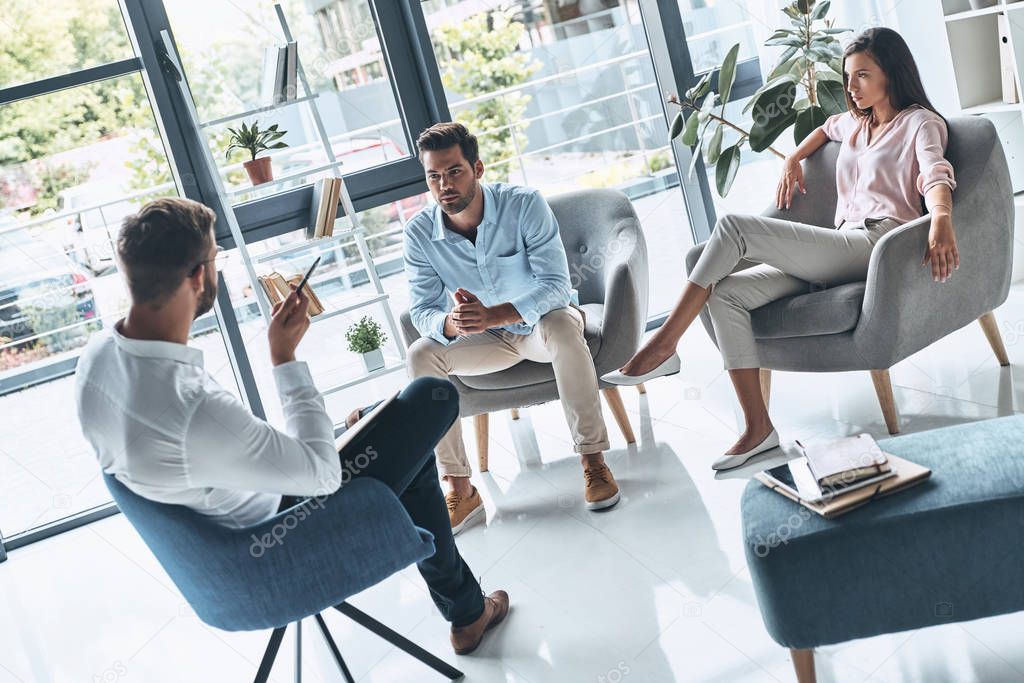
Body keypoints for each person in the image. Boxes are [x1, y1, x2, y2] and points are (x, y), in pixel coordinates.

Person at [74, 197, 508, 655]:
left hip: (221, 528)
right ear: (199, 277)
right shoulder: (190, 408)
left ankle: (466, 611)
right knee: (429, 400)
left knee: (403, 435)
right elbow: (320, 475)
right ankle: (466, 612)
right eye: (217, 261)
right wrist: (284, 357)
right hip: (286, 529)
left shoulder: (98, 357)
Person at [603, 27, 959, 470]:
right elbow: (827, 128)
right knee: (727, 295)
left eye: (862, 75)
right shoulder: (857, 122)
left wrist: (941, 217)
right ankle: (758, 430)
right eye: (848, 76)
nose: (851, 87)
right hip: (839, 248)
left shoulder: (919, 123)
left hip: (875, 245)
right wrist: (792, 158)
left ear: (893, 72)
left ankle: (662, 346)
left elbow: (935, 174)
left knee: (734, 227)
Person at [403, 122, 620, 534]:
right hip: (486, 342)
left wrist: (496, 314)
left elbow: (556, 287)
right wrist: (450, 322)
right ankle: (462, 490)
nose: (444, 185)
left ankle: (593, 462)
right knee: (420, 354)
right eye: (433, 176)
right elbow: (422, 310)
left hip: (540, 328)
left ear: (478, 168)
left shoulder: (523, 205)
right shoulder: (418, 234)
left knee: (560, 325)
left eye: (454, 172)